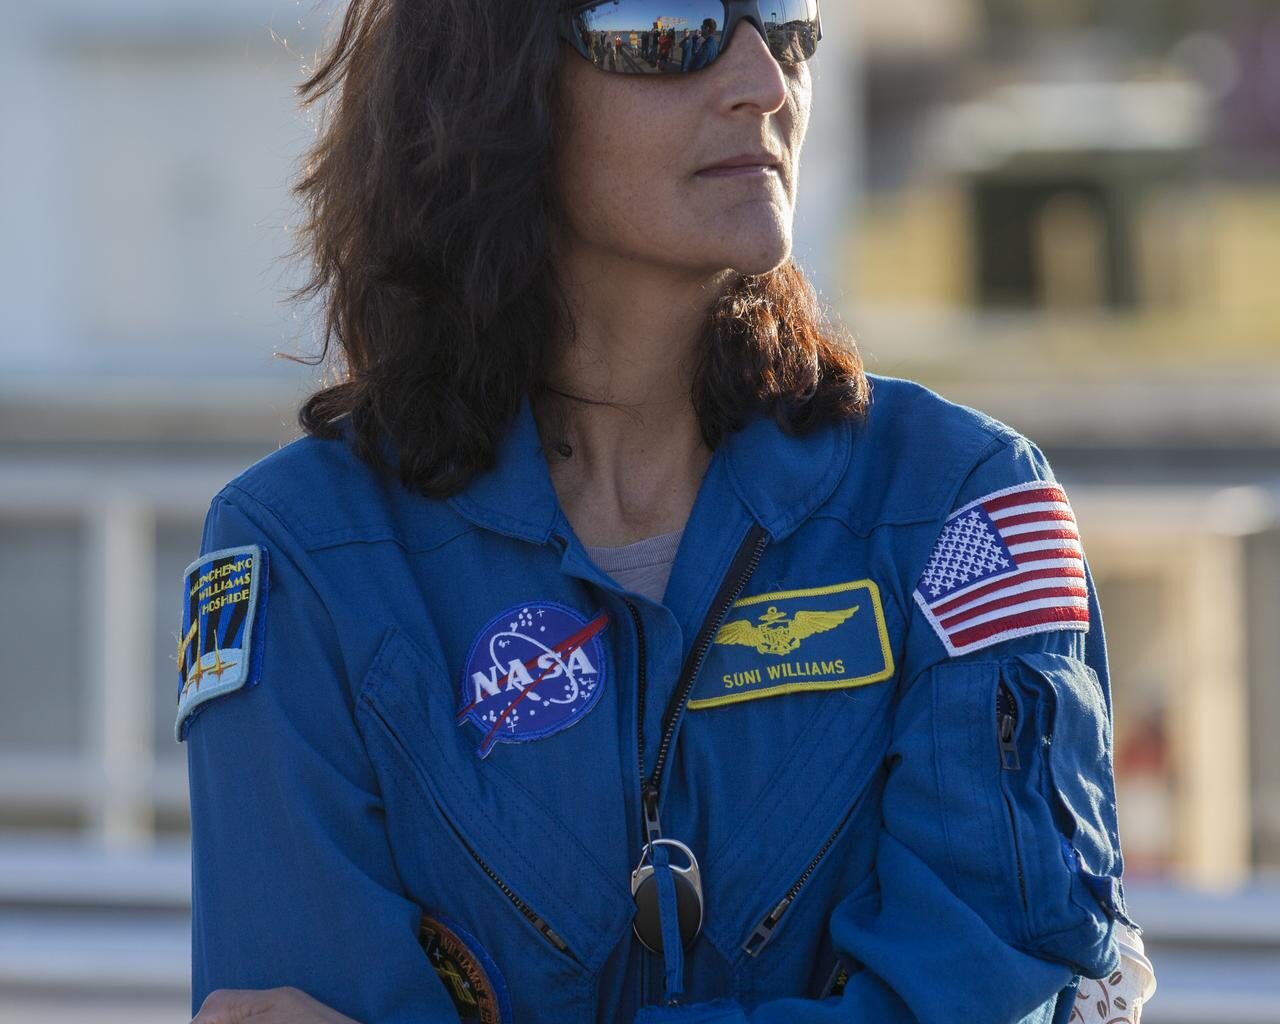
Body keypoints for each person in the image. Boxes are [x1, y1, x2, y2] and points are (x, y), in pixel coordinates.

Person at [182, 1, 1156, 1022]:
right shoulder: (301, 557)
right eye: (670, 23)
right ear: (487, 75)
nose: (764, 82)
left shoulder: (967, 517)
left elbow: (1004, 990)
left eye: (784, 21)